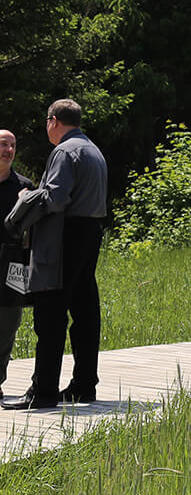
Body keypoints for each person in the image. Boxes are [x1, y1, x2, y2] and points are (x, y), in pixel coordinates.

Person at [4, 99, 108, 410]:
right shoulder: (93, 149)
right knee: (85, 313)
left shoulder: (64, 151)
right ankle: (83, 385)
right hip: (90, 235)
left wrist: (27, 198)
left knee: (50, 314)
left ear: (53, 121)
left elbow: (56, 197)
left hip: (64, 239)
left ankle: (43, 391)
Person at [0, 129, 35, 394]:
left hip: (13, 261)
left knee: (8, 324)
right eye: (3, 145)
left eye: (12, 145)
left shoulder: (25, 186)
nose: (9, 150)